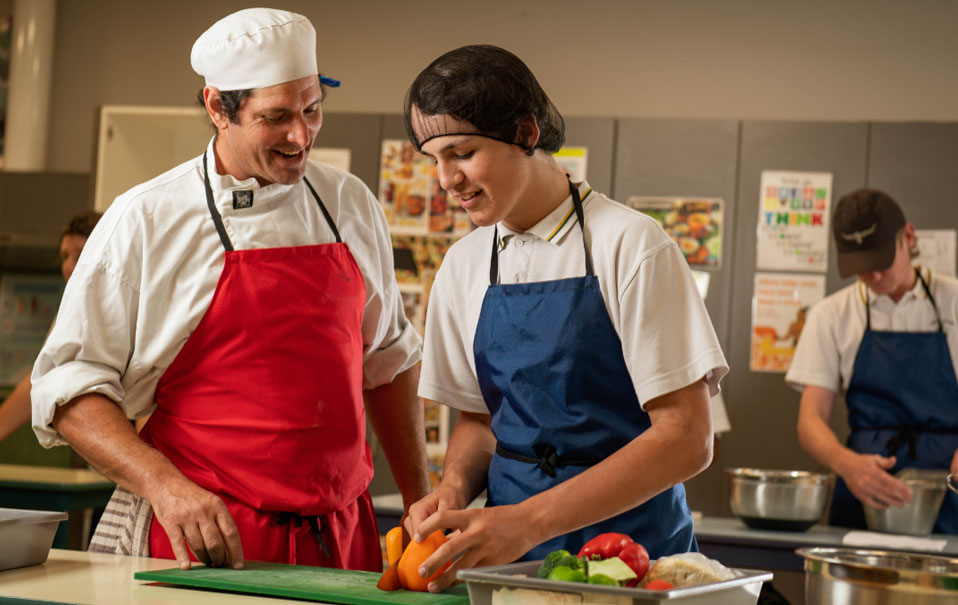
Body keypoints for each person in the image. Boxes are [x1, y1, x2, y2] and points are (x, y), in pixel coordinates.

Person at [31, 8, 429, 571]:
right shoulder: (146, 219)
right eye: (276, 117)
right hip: (208, 543)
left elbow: (388, 359)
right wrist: (161, 483)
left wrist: (419, 502)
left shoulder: (348, 202)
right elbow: (67, 386)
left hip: (342, 538)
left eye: (313, 109)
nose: (301, 135)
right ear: (218, 107)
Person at [401, 45, 728, 591]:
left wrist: (528, 521)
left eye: (461, 153)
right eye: (433, 159)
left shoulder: (631, 245)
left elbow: (688, 436)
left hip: (636, 558)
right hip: (507, 563)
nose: (445, 179)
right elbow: (480, 423)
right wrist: (455, 489)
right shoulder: (463, 264)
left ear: (526, 132)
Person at [787, 188, 958, 532]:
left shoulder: (953, 301)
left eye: (880, 262)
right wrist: (846, 464)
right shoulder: (831, 315)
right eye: (860, 268)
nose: (874, 276)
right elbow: (810, 421)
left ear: (907, 237)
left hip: (948, 491)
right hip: (863, 492)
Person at [0, 211, 101, 442]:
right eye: (65, 256)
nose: (68, 267)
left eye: (80, 255)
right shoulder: (73, 308)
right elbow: (42, 377)